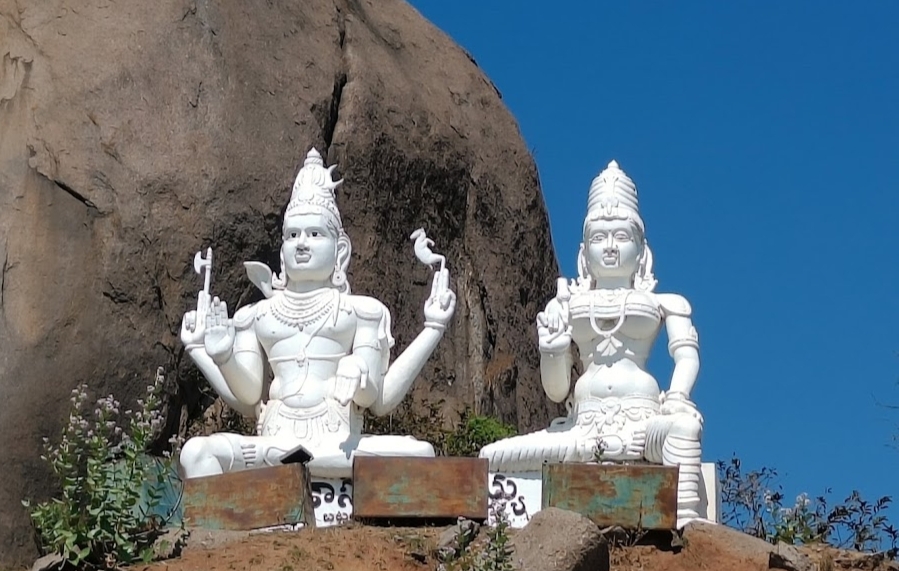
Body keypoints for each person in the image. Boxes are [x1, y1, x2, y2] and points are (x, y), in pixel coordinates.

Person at [179, 148, 456, 479]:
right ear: (282, 251)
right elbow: (248, 395)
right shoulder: (257, 315)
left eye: (314, 234)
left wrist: (430, 330)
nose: (302, 244)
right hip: (272, 443)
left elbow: (378, 400)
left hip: (338, 443)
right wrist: (215, 354)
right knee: (196, 453)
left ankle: (294, 476)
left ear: (340, 249)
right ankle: (228, 522)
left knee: (420, 452)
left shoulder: (361, 311)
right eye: (292, 235)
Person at [480, 160, 704, 526]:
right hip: (582, 429)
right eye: (599, 237)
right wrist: (552, 348)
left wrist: (677, 397)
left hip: (643, 424)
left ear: (642, 250)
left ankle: (689, 527)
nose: (611, 248)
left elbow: (686, 358)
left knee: (685, 430)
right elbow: (556, 391)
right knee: (491, 456)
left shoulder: (666, 303)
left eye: (622, 236)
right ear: (584, 252)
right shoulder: (565, 306)